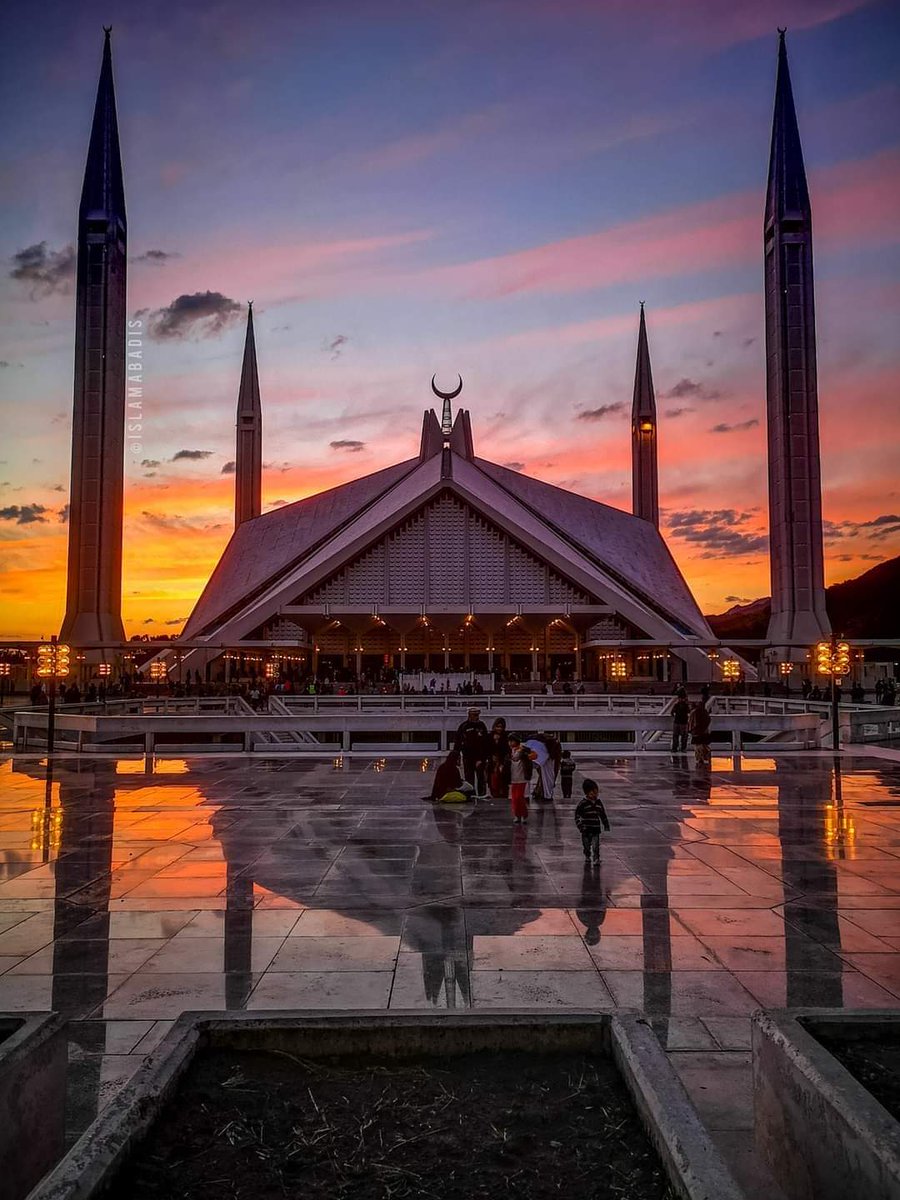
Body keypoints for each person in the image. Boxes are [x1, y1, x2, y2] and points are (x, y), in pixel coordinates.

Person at [453, 706, 490, 798]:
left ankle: (482, 794)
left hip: (480, 758)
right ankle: (470, 794)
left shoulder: (482, 726)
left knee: (481, 778)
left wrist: (482, 759)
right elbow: (457, 742)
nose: (476, 717)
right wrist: (456, 756)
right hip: (467, 757)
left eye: (477, 715)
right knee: (469, 778)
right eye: (474, 715)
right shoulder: (464, 726)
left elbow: (486, 744)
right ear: (469, 715)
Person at [575, 779, 611, 862]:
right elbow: (577, 816)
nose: (595, 795)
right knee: (586, 844)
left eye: (596, 793)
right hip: (586, 829)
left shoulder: (598, 803)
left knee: (596, 845)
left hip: (595, 828)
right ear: (587, 793)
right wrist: (580, 826)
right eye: (593, 793)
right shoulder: (583, 804)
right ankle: (587, 855)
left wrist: (605, 824)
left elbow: (602, 814)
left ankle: (596, 858)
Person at [507, 734, 534, 824]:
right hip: (513, 777)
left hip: (522, 777)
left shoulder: (523, 750)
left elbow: (532, 756)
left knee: (519, 797)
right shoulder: (509, 751)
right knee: (514, 798)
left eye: (512, 741)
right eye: (509, 741)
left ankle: (523, 814)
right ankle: (517, 815)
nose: (510, 743)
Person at [524, 736, 555, 800]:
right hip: (544, 758)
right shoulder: (545, 751)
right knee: (548, 777)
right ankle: (546, 794)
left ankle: (530, 794)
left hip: (538, 756)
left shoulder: (538, 748)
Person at [488, 717, 510, 799]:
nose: (499, 729)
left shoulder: (506, 737)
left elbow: (507, 750)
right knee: (493, 781)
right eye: (497, 726)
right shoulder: (490, 736)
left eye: (501, 727)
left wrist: (503, 762)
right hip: (492, 762)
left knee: (503, 781)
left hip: (502, 761)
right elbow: (486, 749)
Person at [688, 692, 712, 767]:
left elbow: (691, 722)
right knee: (704, 745)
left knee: (698, 746)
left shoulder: (694, 713)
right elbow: (708, 720)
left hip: (697, 732)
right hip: (704, 731)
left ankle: (699, 758)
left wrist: (691, 729)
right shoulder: (705, 713)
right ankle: (705, 758)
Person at [671, 688, 690, 754]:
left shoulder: (676, 705)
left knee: (675, 736)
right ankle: (683, 748)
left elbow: (672, 712)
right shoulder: (686, 705)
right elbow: (689, 711)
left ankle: (674, 748)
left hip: (677, 722)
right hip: (684, 722)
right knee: (684, 736)